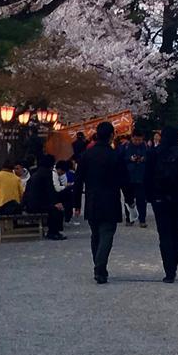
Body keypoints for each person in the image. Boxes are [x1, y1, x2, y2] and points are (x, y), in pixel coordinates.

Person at [75, 121, 128, 284]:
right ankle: (100, 266)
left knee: (96, 234)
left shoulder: (86, 155)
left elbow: (78, 181)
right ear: (112, 135)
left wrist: (76, 203)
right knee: (107, 234)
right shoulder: (115, 156)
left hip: (92, 199)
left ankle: (98, 266)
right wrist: (130, 199)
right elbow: (124, 179)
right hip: (110, 199)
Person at [147, 125, 178, 283]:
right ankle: (173, 266)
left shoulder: (154, 153)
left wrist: (150, 196)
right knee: (176, 232)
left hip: (159, 198)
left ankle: (168, 269)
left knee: (164, 234)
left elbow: (147, 176)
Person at [22, 150, 67, 239]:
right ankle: (53, 232)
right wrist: (56, 203)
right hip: (36, 205)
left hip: (31, 203)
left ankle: (54, 232)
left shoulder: (37, 172)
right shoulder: (46, 173)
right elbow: (50, 190)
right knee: (55, 210)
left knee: (54, 208)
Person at [123, 130, 152, 226]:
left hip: (141, 176)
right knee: (128, 199)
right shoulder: (126, 147)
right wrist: (130, 159)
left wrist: (144, 159)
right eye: (135, 140)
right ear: (132, 138)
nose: (137, 142)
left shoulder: (146, 147)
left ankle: (142, 219)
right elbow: (121, 159)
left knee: (141, 199)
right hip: (128, 177)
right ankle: (129, 218)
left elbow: (150, 159)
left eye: (139, 140)